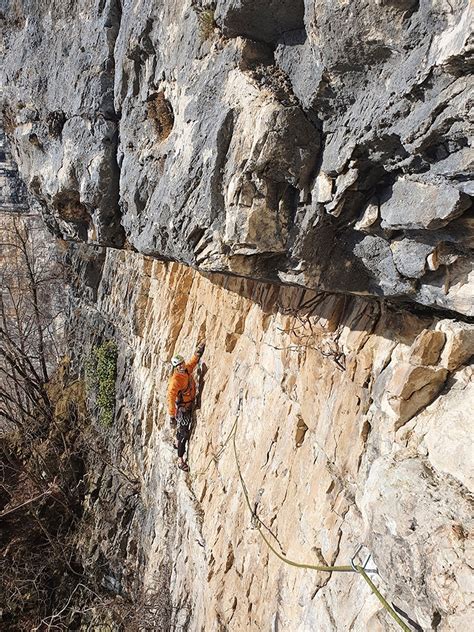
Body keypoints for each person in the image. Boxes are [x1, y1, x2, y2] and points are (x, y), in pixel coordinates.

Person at [168, 341, 205, 471]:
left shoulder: (186, 371)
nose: (182, 366)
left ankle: (176, 442)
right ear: (175, 367)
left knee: (182, 431)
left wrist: (198, 352)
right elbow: (171, 399)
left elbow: (192, 363)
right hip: (183, 410)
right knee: (184, 434)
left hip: (188, 406)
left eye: (182, 363)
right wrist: (172, 416)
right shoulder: (175, 381)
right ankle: (180, 460)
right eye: (179, 365)